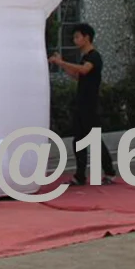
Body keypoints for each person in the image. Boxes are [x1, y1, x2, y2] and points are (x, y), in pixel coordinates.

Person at [49, 22, 116, 185]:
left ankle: (109, 172)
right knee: (78, 140)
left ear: (86, 38)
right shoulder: (85, 57)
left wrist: (61, 63)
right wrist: (62, 63)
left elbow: (84, 70)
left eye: (77, 36)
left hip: (90, 105)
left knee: (93, 139)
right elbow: (77, 75)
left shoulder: (94, 56)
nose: (75, 40)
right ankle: (80, 176)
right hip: (81, 103)